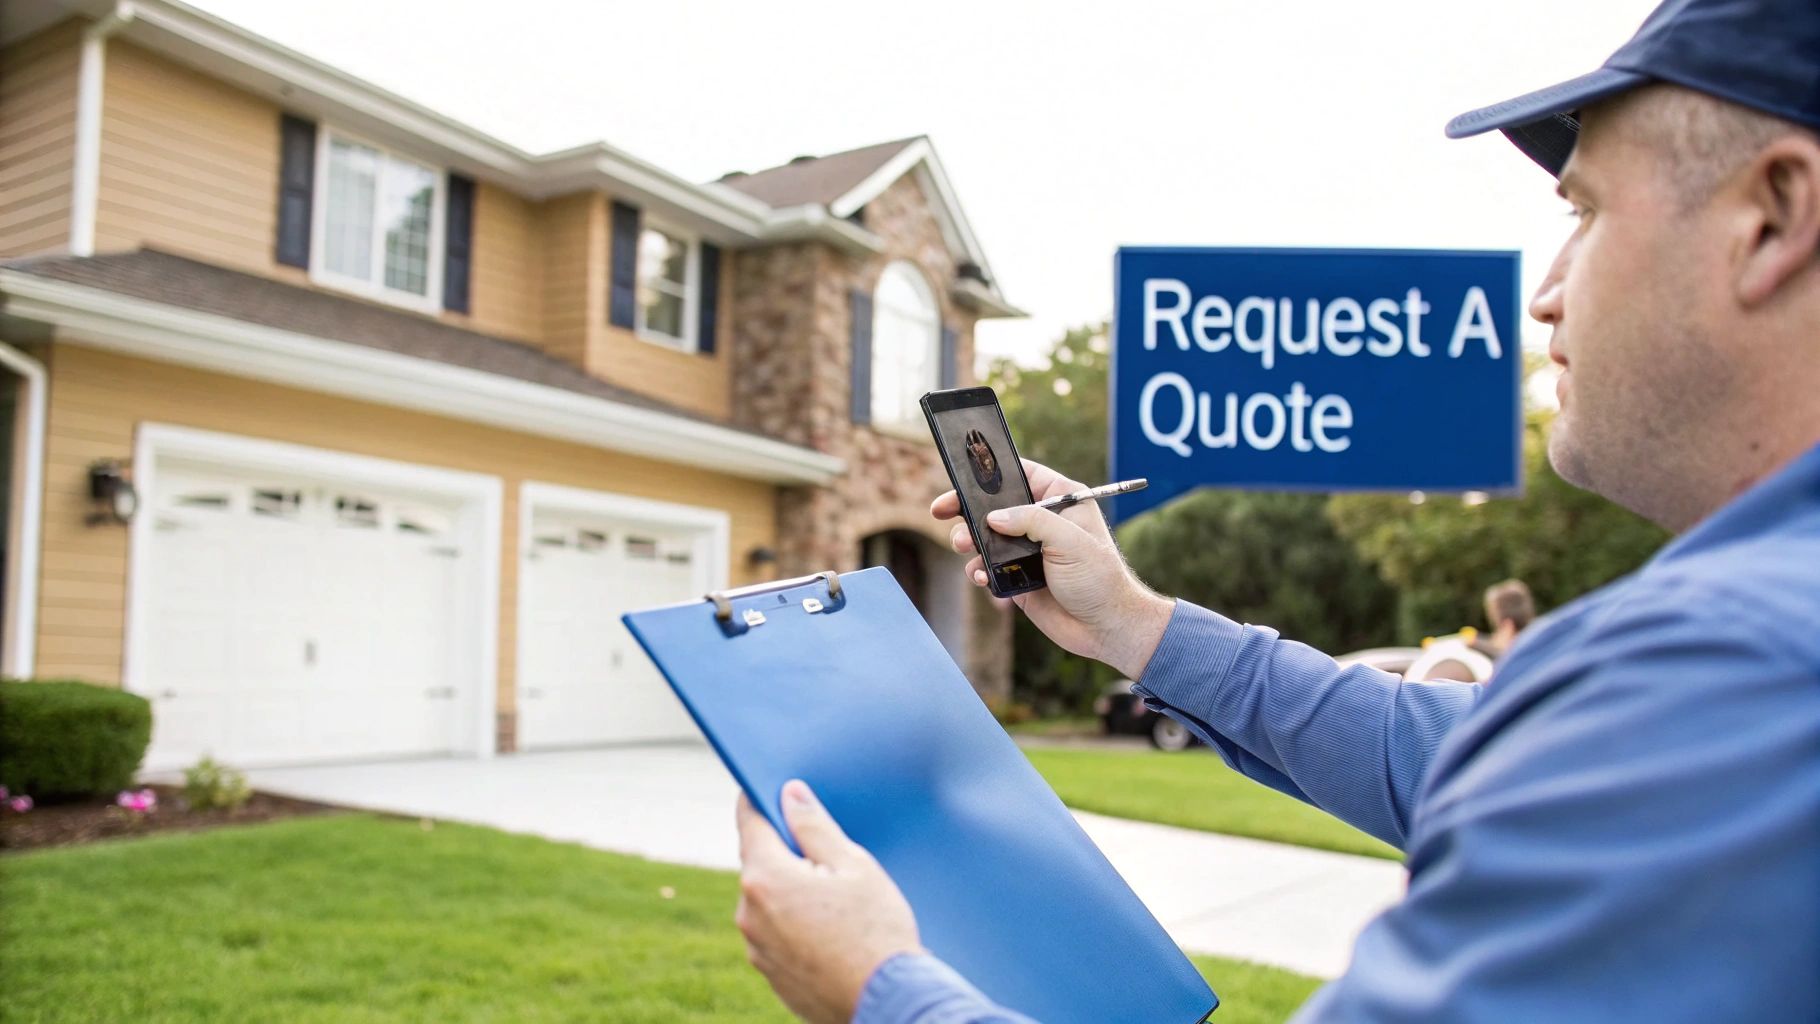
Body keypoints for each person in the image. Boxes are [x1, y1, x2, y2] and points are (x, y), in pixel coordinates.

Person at [731, 0, 1820, 1019]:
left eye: (1582, 210)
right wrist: (1133, 624)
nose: (1546, 288)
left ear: (1771, 214)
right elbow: (1446, 750)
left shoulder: (1732, 672)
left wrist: (881, 985)